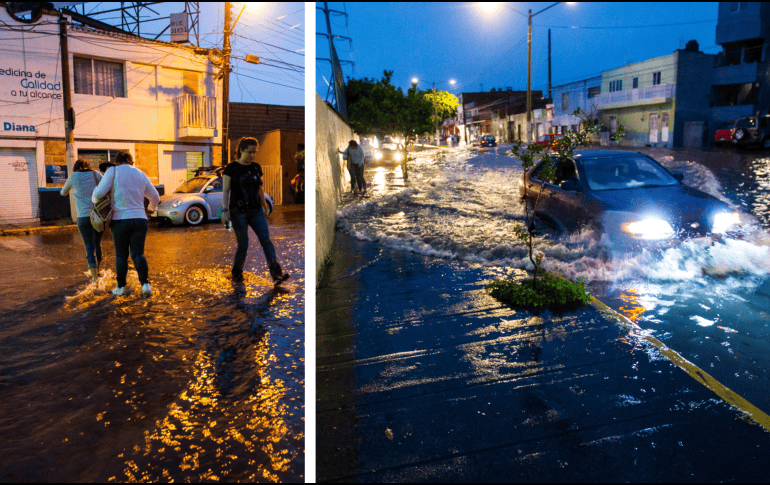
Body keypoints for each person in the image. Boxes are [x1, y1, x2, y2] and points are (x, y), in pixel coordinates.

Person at [221, 137, 290, 285]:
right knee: (243, 244)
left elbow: (259, 187)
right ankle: (237, 272)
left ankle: (276, 275)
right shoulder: (231, 168)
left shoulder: (256, 167)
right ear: (241, 150)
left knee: (266, 241)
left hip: (256, 210)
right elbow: (226, 191)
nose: (252, 155)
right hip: (238, 211)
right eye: (249, 152)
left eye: (255, 152)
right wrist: (224, 211)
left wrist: (265, 205)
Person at [92, 151, 159, 297]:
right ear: (131, 161)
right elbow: (155, 196)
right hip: (140, 219)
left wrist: (94, 199)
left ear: (117, 161)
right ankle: (145, 285)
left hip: (120, 220)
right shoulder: (141, 173)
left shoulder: (112, 172)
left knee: (121, 255)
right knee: (138, 254)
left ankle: (121, 287)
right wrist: (151, 208)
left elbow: (98, 194)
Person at [60, 159, 103, 285]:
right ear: (88, 166)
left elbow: (63, 193)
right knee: (97, 244)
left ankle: (94, 278)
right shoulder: (96, 174)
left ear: (75, 168)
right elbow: (106, 188)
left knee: (89, 246)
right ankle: (98, 270)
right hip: (98, 216)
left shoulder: (73, 177)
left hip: (83, 217)